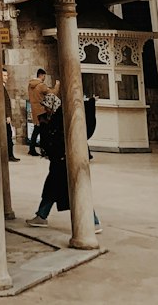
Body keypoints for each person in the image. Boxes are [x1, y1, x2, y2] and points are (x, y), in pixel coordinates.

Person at [26, 93, 100, 232]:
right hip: (59, 162)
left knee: (74, 190)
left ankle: (93, 221)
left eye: (47, 107)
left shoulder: (62, 118)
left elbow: (61, 137)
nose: (46, 110)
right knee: (52, 189)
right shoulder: (55, 118)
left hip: (65, 161)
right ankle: (41, 215)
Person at [26, 68, 53, 155]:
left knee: (36, 130)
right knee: (44, 131)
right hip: (42, 110)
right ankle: (44, 150)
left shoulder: (30, 85)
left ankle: (32, 148)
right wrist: (57, 85)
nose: (45, 78)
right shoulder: (41, 85)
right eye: (44, 76)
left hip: (34, 110)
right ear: (41, 75)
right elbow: (52, 93)